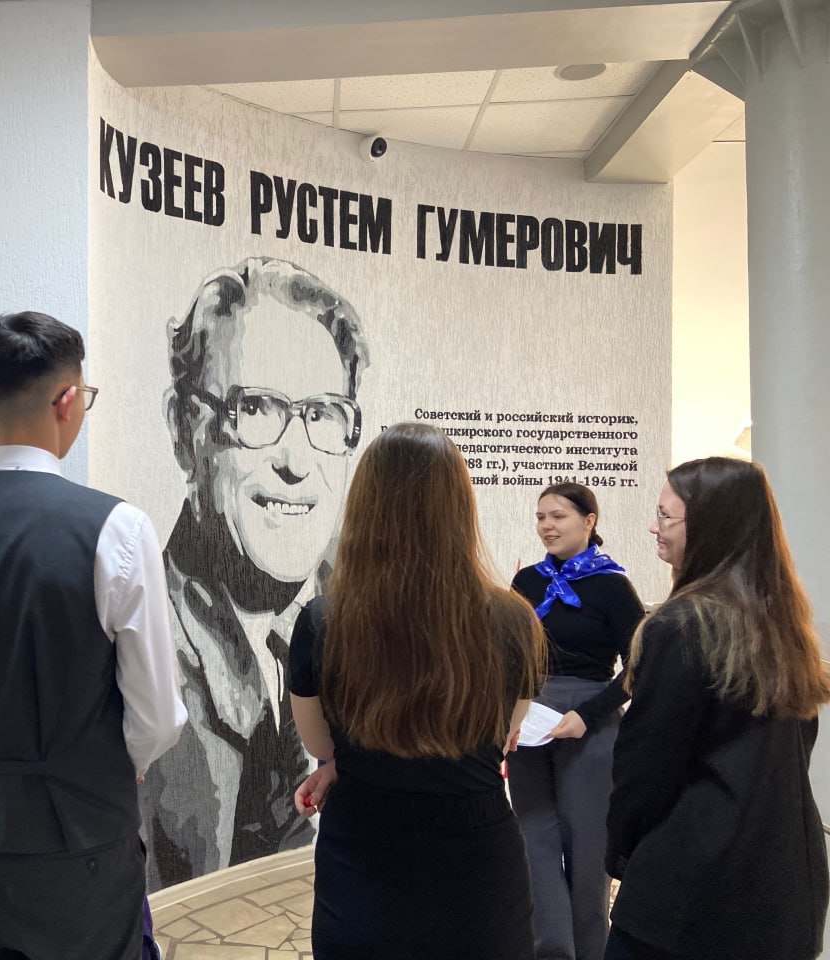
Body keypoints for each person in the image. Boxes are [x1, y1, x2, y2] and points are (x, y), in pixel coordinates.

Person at [0, 311, 186, 960]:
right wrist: (110, 766)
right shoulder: (117, 529)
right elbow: (158, 717)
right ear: (67, 400)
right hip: (79, 849)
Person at [144, 256, 370, 888]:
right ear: (186, 431)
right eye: (259, 409)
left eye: (324, 415)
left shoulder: (358, 615)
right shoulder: (152, 652)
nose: (296, 461)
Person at [288, 421, 545, 959]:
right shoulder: (513, 620)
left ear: (365, 509)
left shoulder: (323, 621)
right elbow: (501, 734)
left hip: (363, 857)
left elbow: (319, 745)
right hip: (480, 868)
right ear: (459, 508)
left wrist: (351, 762)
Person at [605, 458, 830, 960]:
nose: (654, 527)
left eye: (665, 516)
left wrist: (623, 855)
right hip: (785, 883)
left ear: (710, 526)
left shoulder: (680, 626)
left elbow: (645, 768)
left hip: (691, 890)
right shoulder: (785, 626)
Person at [506, 483, 645, 960]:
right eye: (540, 517)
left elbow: (639, 667)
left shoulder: (613, 586)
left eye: (558, 516)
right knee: (534, 838)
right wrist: (509, 714)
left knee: (588, 847)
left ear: (589, 521)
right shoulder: (526, 583)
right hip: (529, 717)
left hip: (591, 718)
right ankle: (551, 950)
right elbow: (511, 654)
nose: (546, 526)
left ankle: (591, 950)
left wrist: (586, 716)